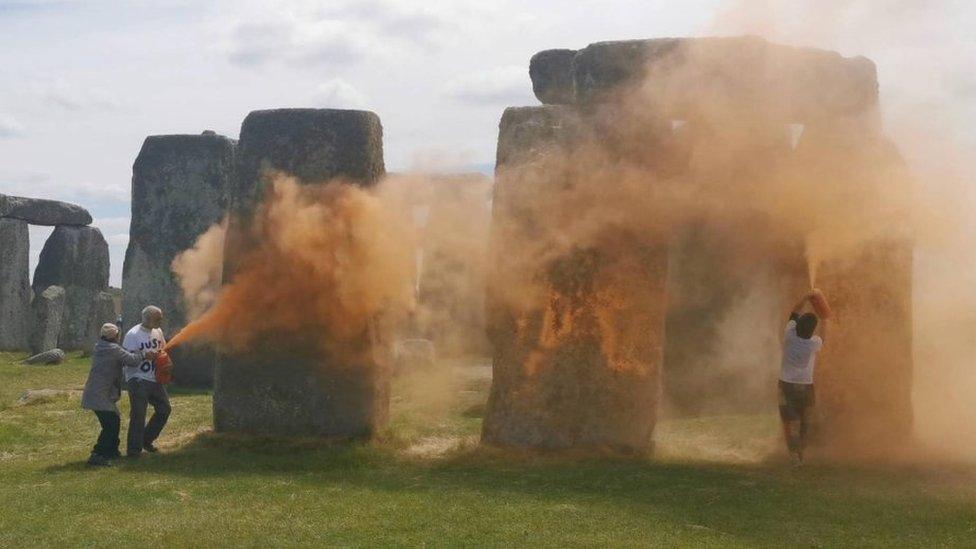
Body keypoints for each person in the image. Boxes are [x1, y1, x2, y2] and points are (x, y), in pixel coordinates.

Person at [80, 323, 157, 467]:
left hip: (96, 392)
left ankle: (112, 451)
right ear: (115, 336)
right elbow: (131, 360)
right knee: (110, 424)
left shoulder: (100, 346)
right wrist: (145, 355)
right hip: (99, 394)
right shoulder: (113, 349)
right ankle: (98, 454)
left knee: (113, 421)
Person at [779, 289, 829, 467]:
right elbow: (824, 337)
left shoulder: (789, 335)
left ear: (797, 326)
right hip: (806, 387)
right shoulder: (812, 344)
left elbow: (795, 311)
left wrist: (806, 297)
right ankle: (800, 450)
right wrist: (825, 318)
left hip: (786, 386)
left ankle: (794, 455)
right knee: (805, 421)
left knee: (790, 420)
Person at [123, 305, 170, 457]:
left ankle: (146, 440)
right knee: (138, 414)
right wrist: (144, 355)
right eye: (158, 318)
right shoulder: (133, 335)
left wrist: (166, 362)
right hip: (138, 379)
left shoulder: (158, 331)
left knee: (164, 409)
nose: (161, 321)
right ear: (148, 318)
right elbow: (127, 359)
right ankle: (133, 451)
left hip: (154, 378)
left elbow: (162, 349)